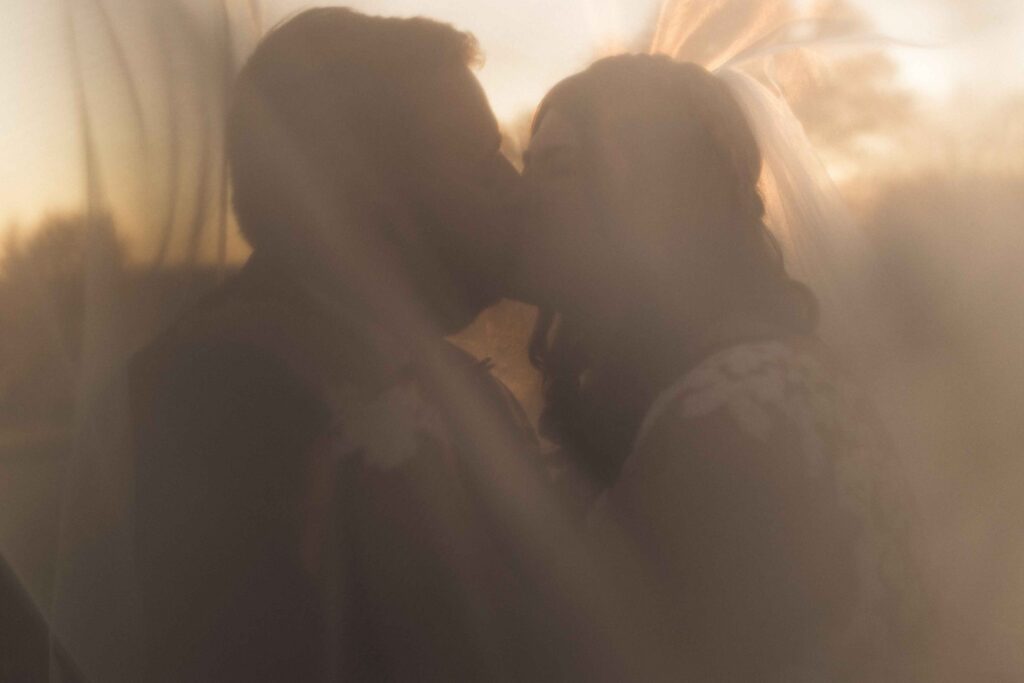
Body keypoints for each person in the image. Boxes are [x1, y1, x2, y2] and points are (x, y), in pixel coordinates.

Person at [130, 8, 545, 681]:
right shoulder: (222, 401)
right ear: (365, 187)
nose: (515, 187)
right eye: (478, 158)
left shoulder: (427, 371)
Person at [519, 54, 931, 681]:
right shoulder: (733, 375)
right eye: (532, 167)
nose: (528, 197)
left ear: (660, 192)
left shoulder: (728, 411)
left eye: (561, 168)